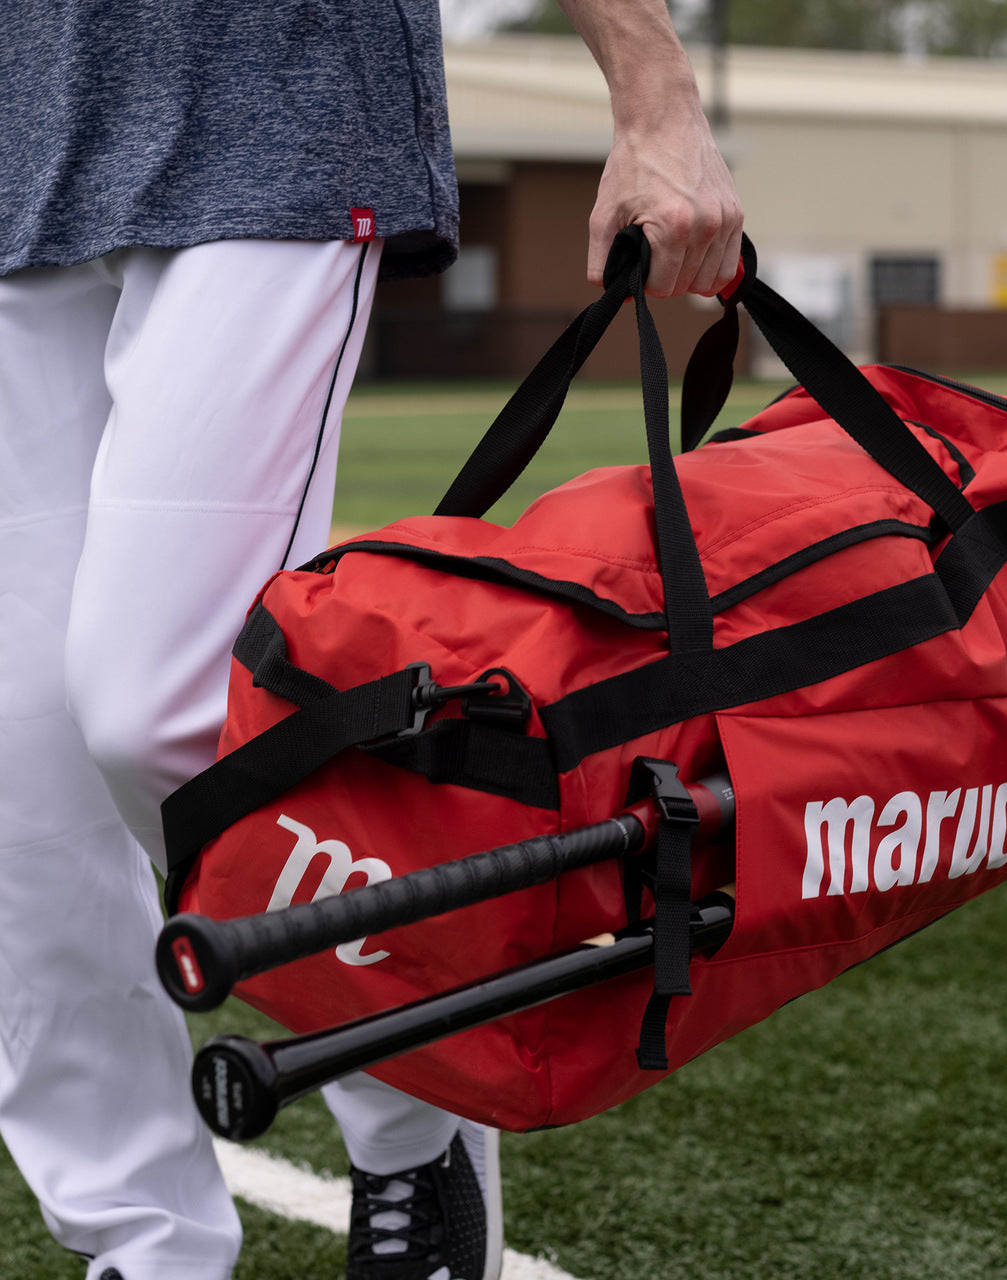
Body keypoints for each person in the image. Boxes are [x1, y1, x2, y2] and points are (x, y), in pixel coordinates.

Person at [0, 2, 742, 1278]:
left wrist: (652, 86)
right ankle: (143, 1249)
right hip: (16, 153)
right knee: (20, 791)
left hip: (263, 116)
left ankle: (414, 1122)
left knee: (163, 703)